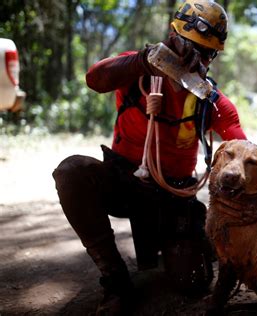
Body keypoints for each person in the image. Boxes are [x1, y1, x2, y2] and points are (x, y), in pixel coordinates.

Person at [52, 0, 246, 314]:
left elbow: (241, 145)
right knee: (72, 171)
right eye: (191, 47)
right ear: (173, 38)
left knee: (193, 282)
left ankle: (198, 239)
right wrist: (144, 61)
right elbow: (94, 78)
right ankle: (115, 280)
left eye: (207, 54)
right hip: (125, 183)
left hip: (173, 195)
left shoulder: (211, 101)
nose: (197, 60)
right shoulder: (135, 69)